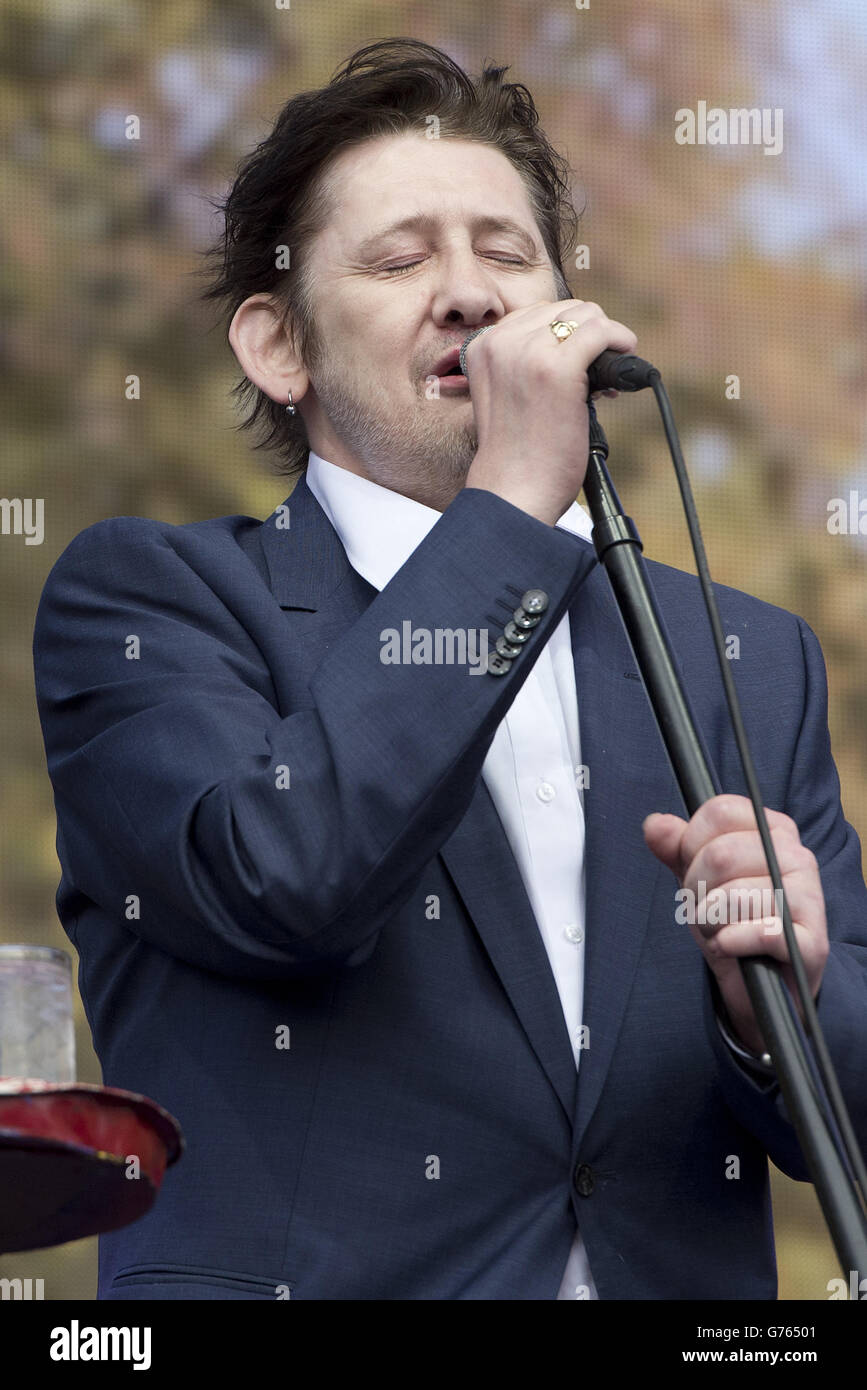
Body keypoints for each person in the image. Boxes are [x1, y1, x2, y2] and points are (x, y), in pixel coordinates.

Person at [33, 38, 867, 1300]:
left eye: (508, 253)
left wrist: (779, 1013)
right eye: (400, 257)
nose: (472, 295)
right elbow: (285, 873)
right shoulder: (154, 601)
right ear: (278, 346)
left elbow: (848, 1131)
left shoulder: (744, 657)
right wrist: (512, 518)